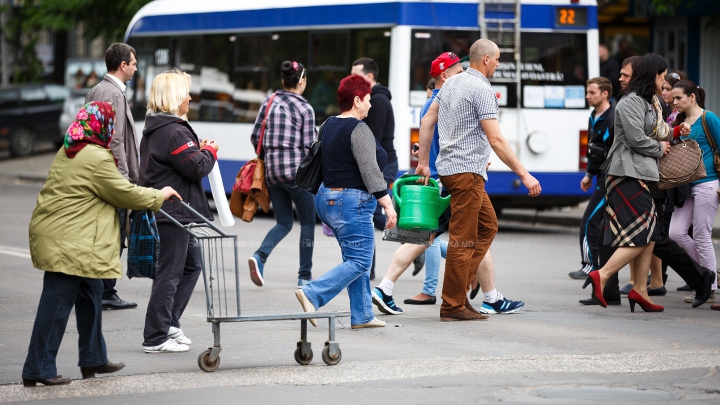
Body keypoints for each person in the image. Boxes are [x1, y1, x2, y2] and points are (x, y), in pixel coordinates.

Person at [23, 102, 181, 387]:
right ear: (102, 126)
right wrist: (160, 194)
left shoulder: (70, 149)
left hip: (65, 236)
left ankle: (93, 357)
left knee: (92, 294)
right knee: (56, 305)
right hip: (68, 242)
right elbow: (123, 192)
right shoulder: (94, 157)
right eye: (112, 123)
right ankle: (38, 368)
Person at [372, 52, 524, 316]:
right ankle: (474, 294)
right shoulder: (444, 101)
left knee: (451, 236)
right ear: (444, 75)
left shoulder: (441, 100)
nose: (463, 74)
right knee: (445, 238)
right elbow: (449, 140)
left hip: (446, 177)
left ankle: (488, 295)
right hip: (448, 181)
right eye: (457, 70)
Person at [416, 39, 541, 322]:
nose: (498, 64)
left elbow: (426, 122)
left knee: (487, 226)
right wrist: (524, 174)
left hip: (449, 169)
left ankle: (460, 289)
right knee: (463, 241)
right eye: (497, 59)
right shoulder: (482, 88)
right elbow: (495, 138)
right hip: (467, 172)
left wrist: (423, 163)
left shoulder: (449, 83)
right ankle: (452, 305)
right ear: (485, 59)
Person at [295, 75, 397, 329]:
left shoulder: (328, 124)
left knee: (354, 257)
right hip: (351, 201)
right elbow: (371, 171)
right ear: (356, 100)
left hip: (326, 198)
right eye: (368, 100)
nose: (370, 105)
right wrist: (388, 204)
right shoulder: (358, 129)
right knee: (361, 261)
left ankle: (362, 315)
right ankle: (312, 293)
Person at [583, 53, 672, 312]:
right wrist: (660, 147)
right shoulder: (631, 101)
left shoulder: (650, 102)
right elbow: (636, 140)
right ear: (651, 75)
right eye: (662, 76)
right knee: (644, 232)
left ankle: (639, 290)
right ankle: (603, 274)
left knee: (650, 232)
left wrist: (670, 133)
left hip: (641, 173)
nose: (664, 82)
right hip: (625, 174)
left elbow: (660, 129)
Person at [140, 70, 220, 352]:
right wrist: (209, 151)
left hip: (173, 210)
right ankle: (156, 337)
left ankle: (169, 322)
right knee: (170, 273)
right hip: (173, 212)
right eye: (185, 92)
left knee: (191, 266)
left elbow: (184, 160)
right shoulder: (173, 130)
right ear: (174, 98)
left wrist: (198, 151)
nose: (189, 97)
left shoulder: (160, 128)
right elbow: (196, 166)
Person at [248, 61, 317, 288]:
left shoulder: (269, 102)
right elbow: (310, 146)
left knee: (284, 222)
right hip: (297, 175)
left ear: (283, 81)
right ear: (302, 82)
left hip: (272, 173)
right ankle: (304, 276)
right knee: (307, 222)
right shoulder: (305, 108)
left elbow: (255, 136)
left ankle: (260, 256)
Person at [85, 43, 140, 311]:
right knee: (115, 232)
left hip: (96, 170)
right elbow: (116, 140)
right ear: (123, 65)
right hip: (112, 174)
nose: (135, 68)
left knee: (106, 231)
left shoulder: (97, 89)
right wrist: (125, 178)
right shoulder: (114, 94)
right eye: (133, 63)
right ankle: (106, 291)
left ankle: (101, 289)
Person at [669, 79, 720, 303]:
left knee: (701, 235)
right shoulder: (679, 121)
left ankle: (709, 288)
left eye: (679, 98)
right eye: (673, 98)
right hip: (685, 185)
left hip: (709, 183)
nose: (674, 102)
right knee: (675, 233)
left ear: (693, 97)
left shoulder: (709, 118)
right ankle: (707, 274)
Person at [351, 57, 399, 279]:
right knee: (370, 215)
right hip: (378, 162)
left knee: (372, 214)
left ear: (369, 77)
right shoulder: (375, 99)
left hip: (382, 163)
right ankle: (368, 269)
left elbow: (374, 141)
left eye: (356, 75)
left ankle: (413, 243)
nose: (352, 80)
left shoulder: (377, 102)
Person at [569, 78, 615, 281]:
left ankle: (590, 266)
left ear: (605, 94)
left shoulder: (612, 118)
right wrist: (589, 174)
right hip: (599, 177)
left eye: (592, 93)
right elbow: (595, 151)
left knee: (589, 221)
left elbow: (608, 151)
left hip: (611, 178)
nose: (588, 96)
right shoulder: (594, 115)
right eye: (587, 92)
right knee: (603, 224)